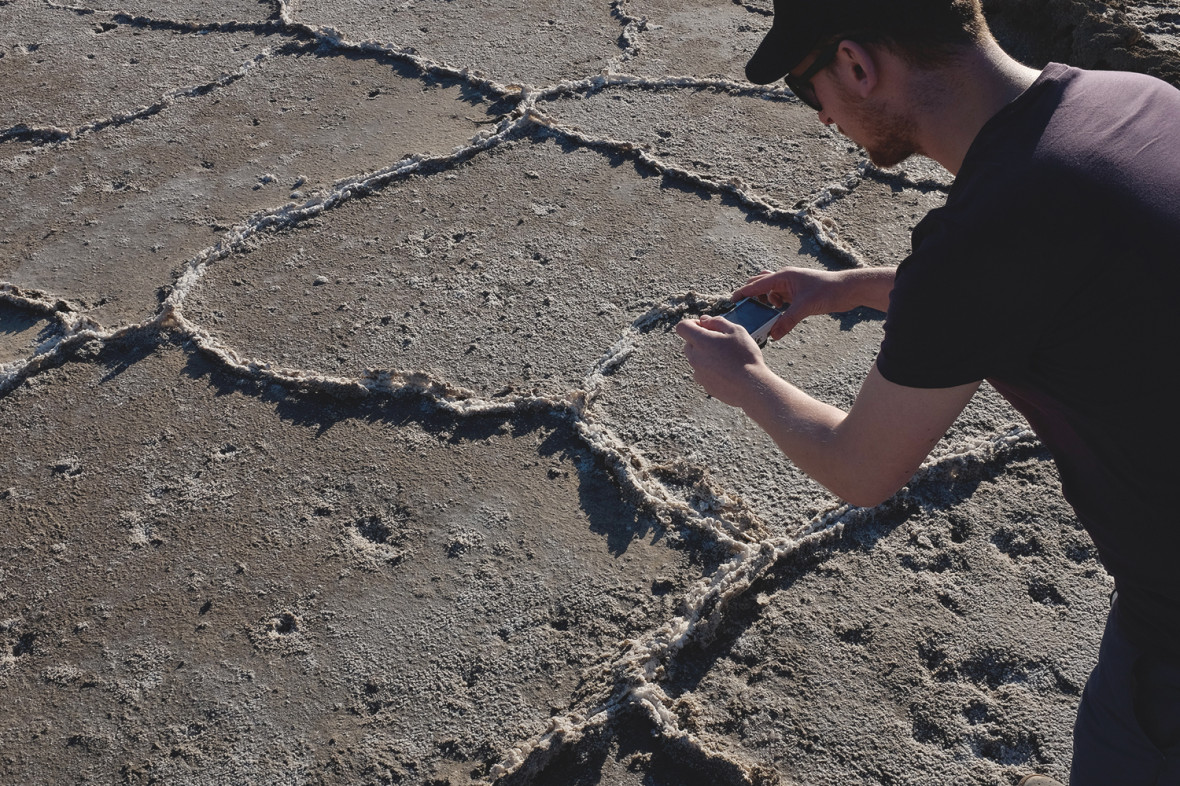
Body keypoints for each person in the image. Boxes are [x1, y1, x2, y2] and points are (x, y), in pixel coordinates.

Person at [674, 1, 1180, 783]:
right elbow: (1037, 277)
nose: (824, 119)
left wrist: (745, 383)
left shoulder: (984, 239)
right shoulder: (1134, 100)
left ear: (855, 64)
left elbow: (860, 468)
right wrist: (844, 289)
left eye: (812, 94)